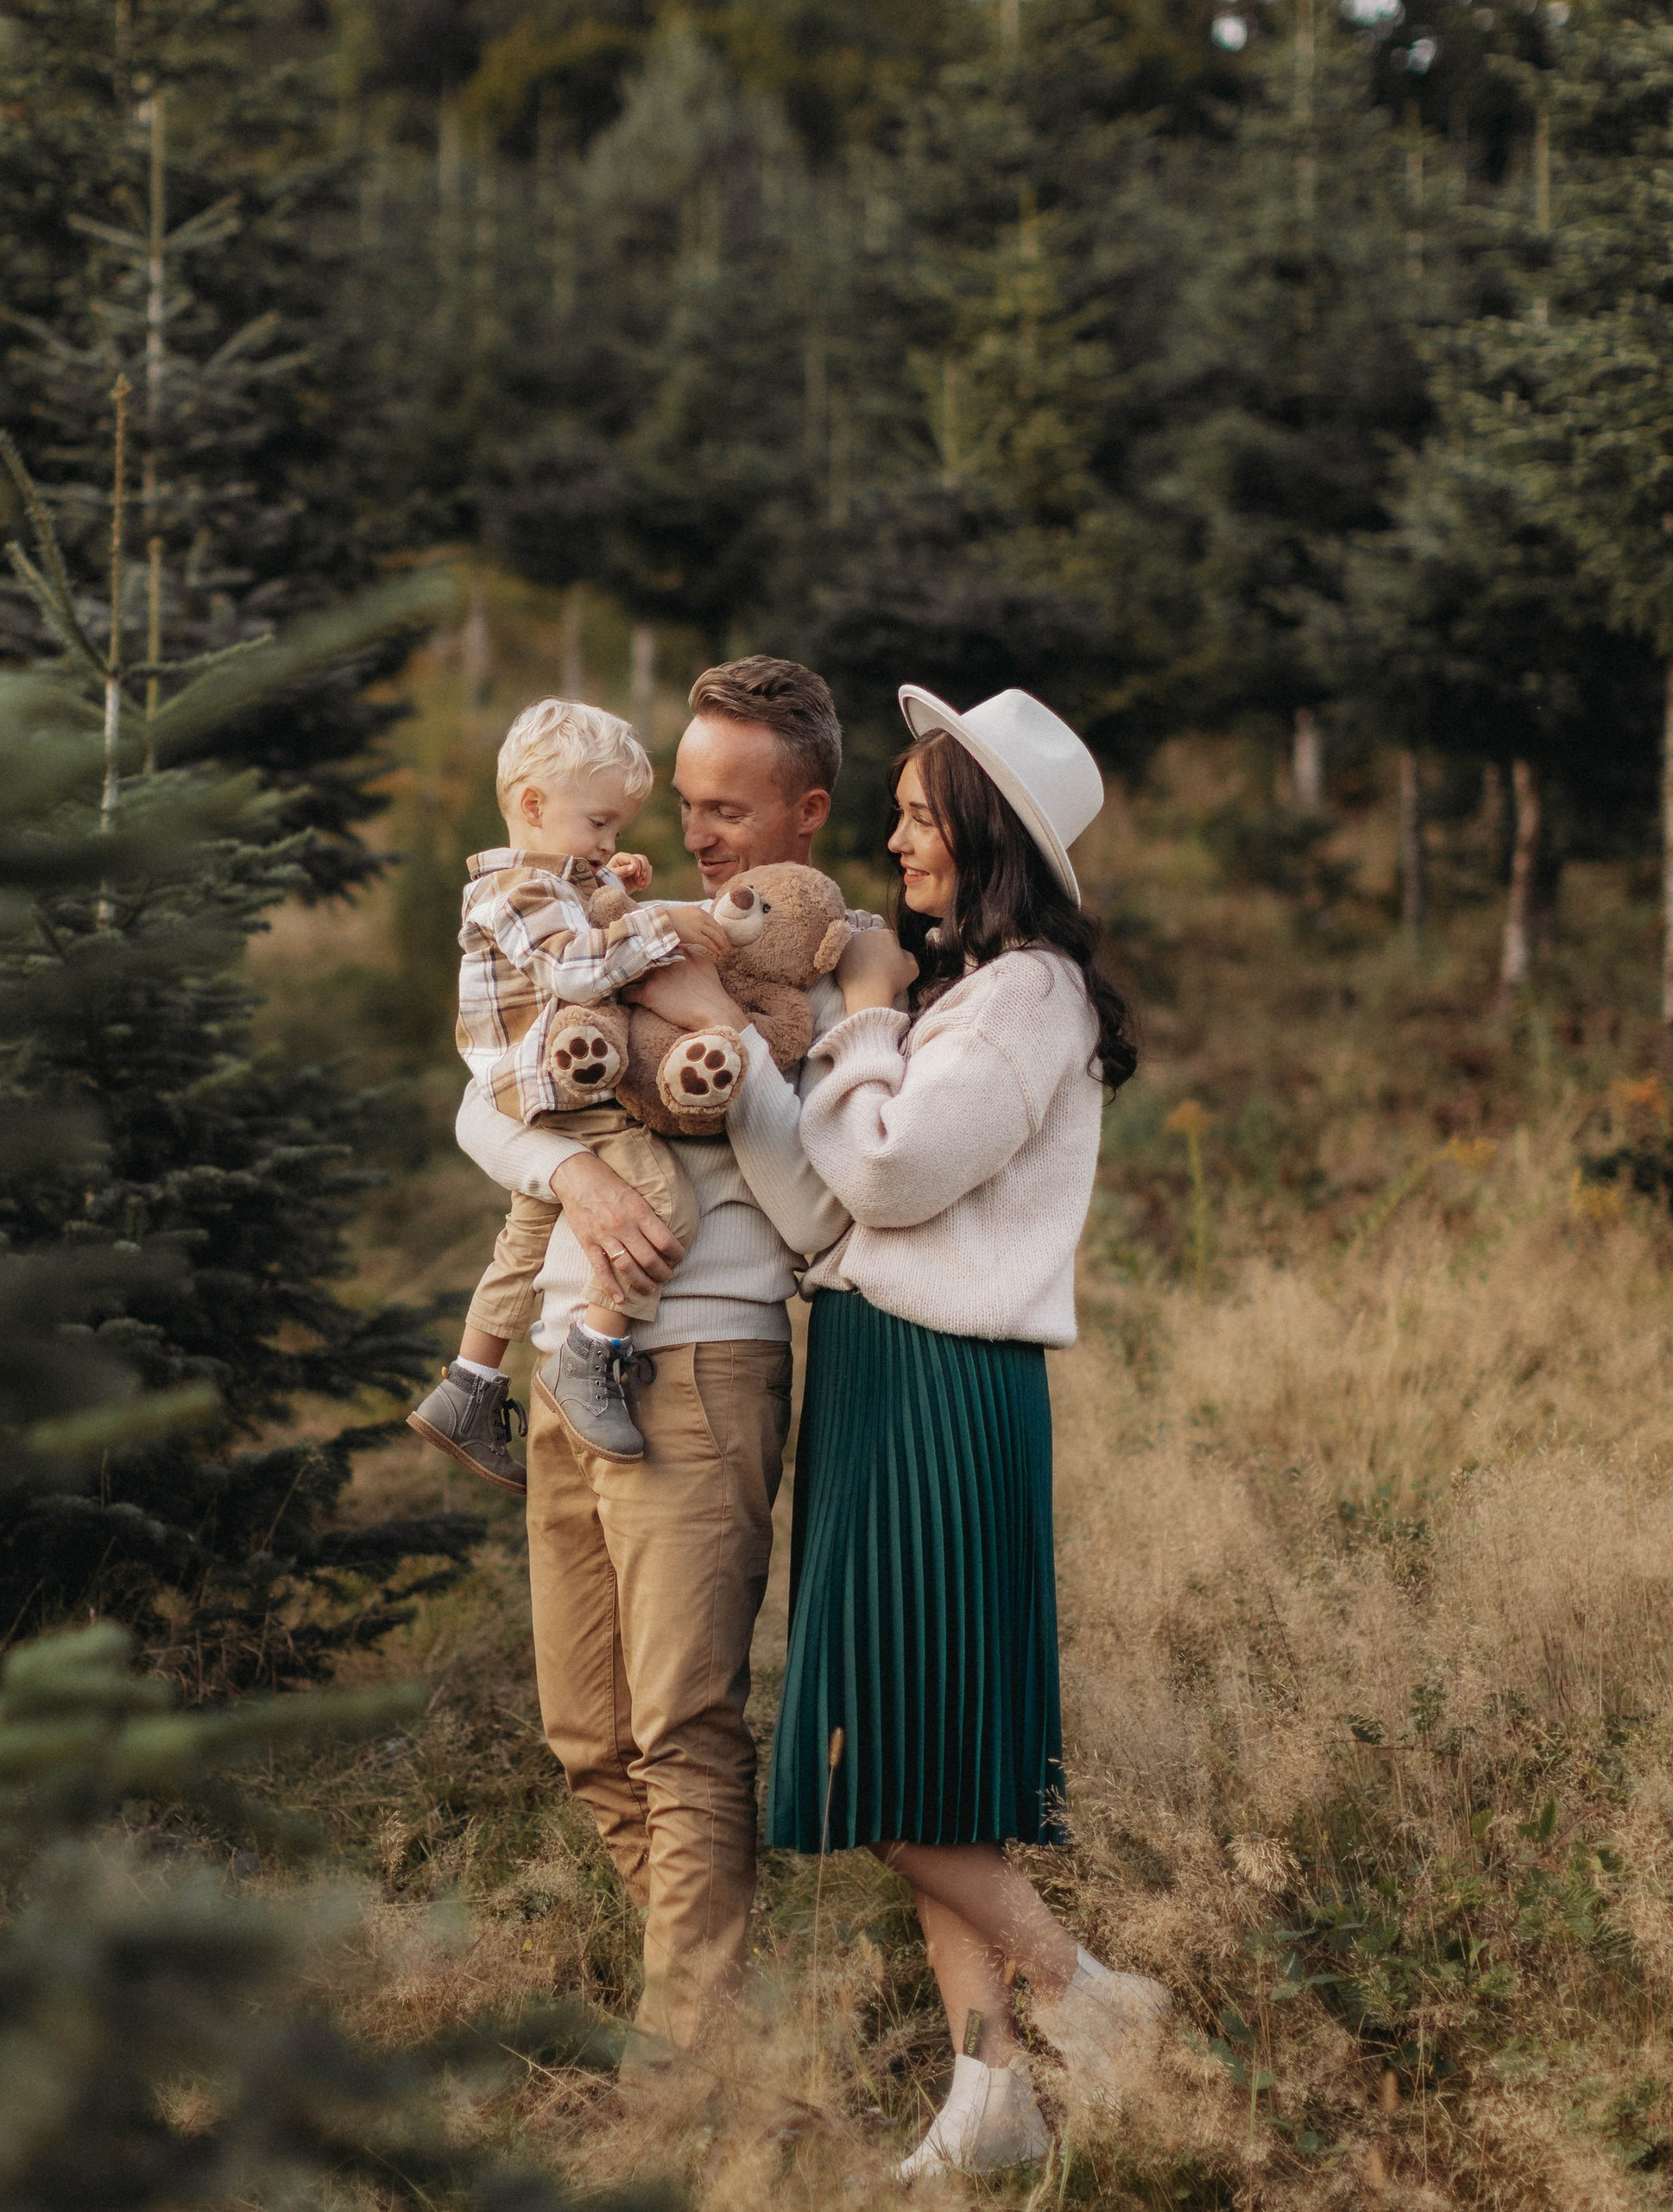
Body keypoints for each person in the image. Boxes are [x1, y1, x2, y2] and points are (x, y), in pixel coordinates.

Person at [763, 685, 1171, 2177]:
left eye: (918, 815)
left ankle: (1092, 1997)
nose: (892, 838)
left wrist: (865, 1009)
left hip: (938, 1382)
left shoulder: (1026, 997)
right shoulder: (975, 987)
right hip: (886, 1370)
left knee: (876, 1760)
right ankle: (992, 2100)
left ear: (984, 832)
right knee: (925, 1760)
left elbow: (889, 1174)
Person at [454, 656, 861, 2063]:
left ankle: (687, 2077)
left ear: (807, 811)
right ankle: (733, 2036)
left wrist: (733, 1059)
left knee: (683, 1730)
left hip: (701, 1367)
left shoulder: (830, 959)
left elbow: (822, 1216)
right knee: (587, 1737)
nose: (701, 837)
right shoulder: (626, 914)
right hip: (574, 1355)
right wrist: (574, 1184)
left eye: (733, 809)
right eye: (688, 804)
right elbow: (482, 1102)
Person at [409, 699, 732, 1485]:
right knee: (665, 1207)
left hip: (540, 1092)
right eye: (598, 825)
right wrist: (663, 926)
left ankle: (469, 1386)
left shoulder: (546, 880)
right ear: (532, 806)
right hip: (564, 1089)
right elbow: (571, 968)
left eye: (616, 831)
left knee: (522, 1244)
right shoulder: (515, 894)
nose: (608, 843)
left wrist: (605, 879)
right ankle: (592, 1360)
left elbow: (575, 916)